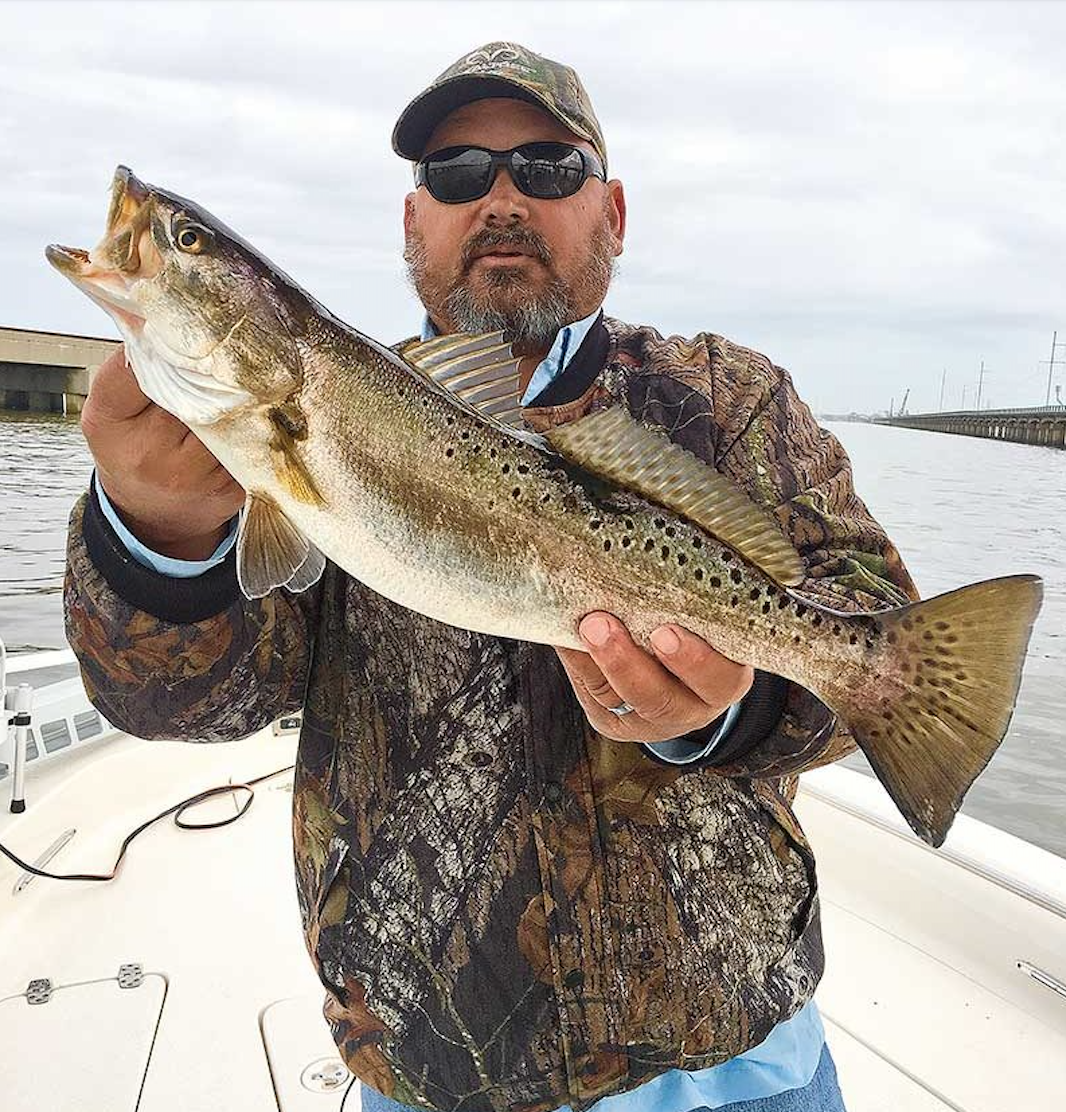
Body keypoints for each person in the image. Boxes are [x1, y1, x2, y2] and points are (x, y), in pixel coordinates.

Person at [66, 41, 919, 1112]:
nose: (502, 198)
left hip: (739, 1061)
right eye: (458, 175)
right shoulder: (286, 438)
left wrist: (732, 709)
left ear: (613, 212)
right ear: (412, 221)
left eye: (548, 171)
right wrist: (161, 535)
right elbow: (179, 702)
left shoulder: (732, 402)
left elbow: (884, 653)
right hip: (436, 1069)